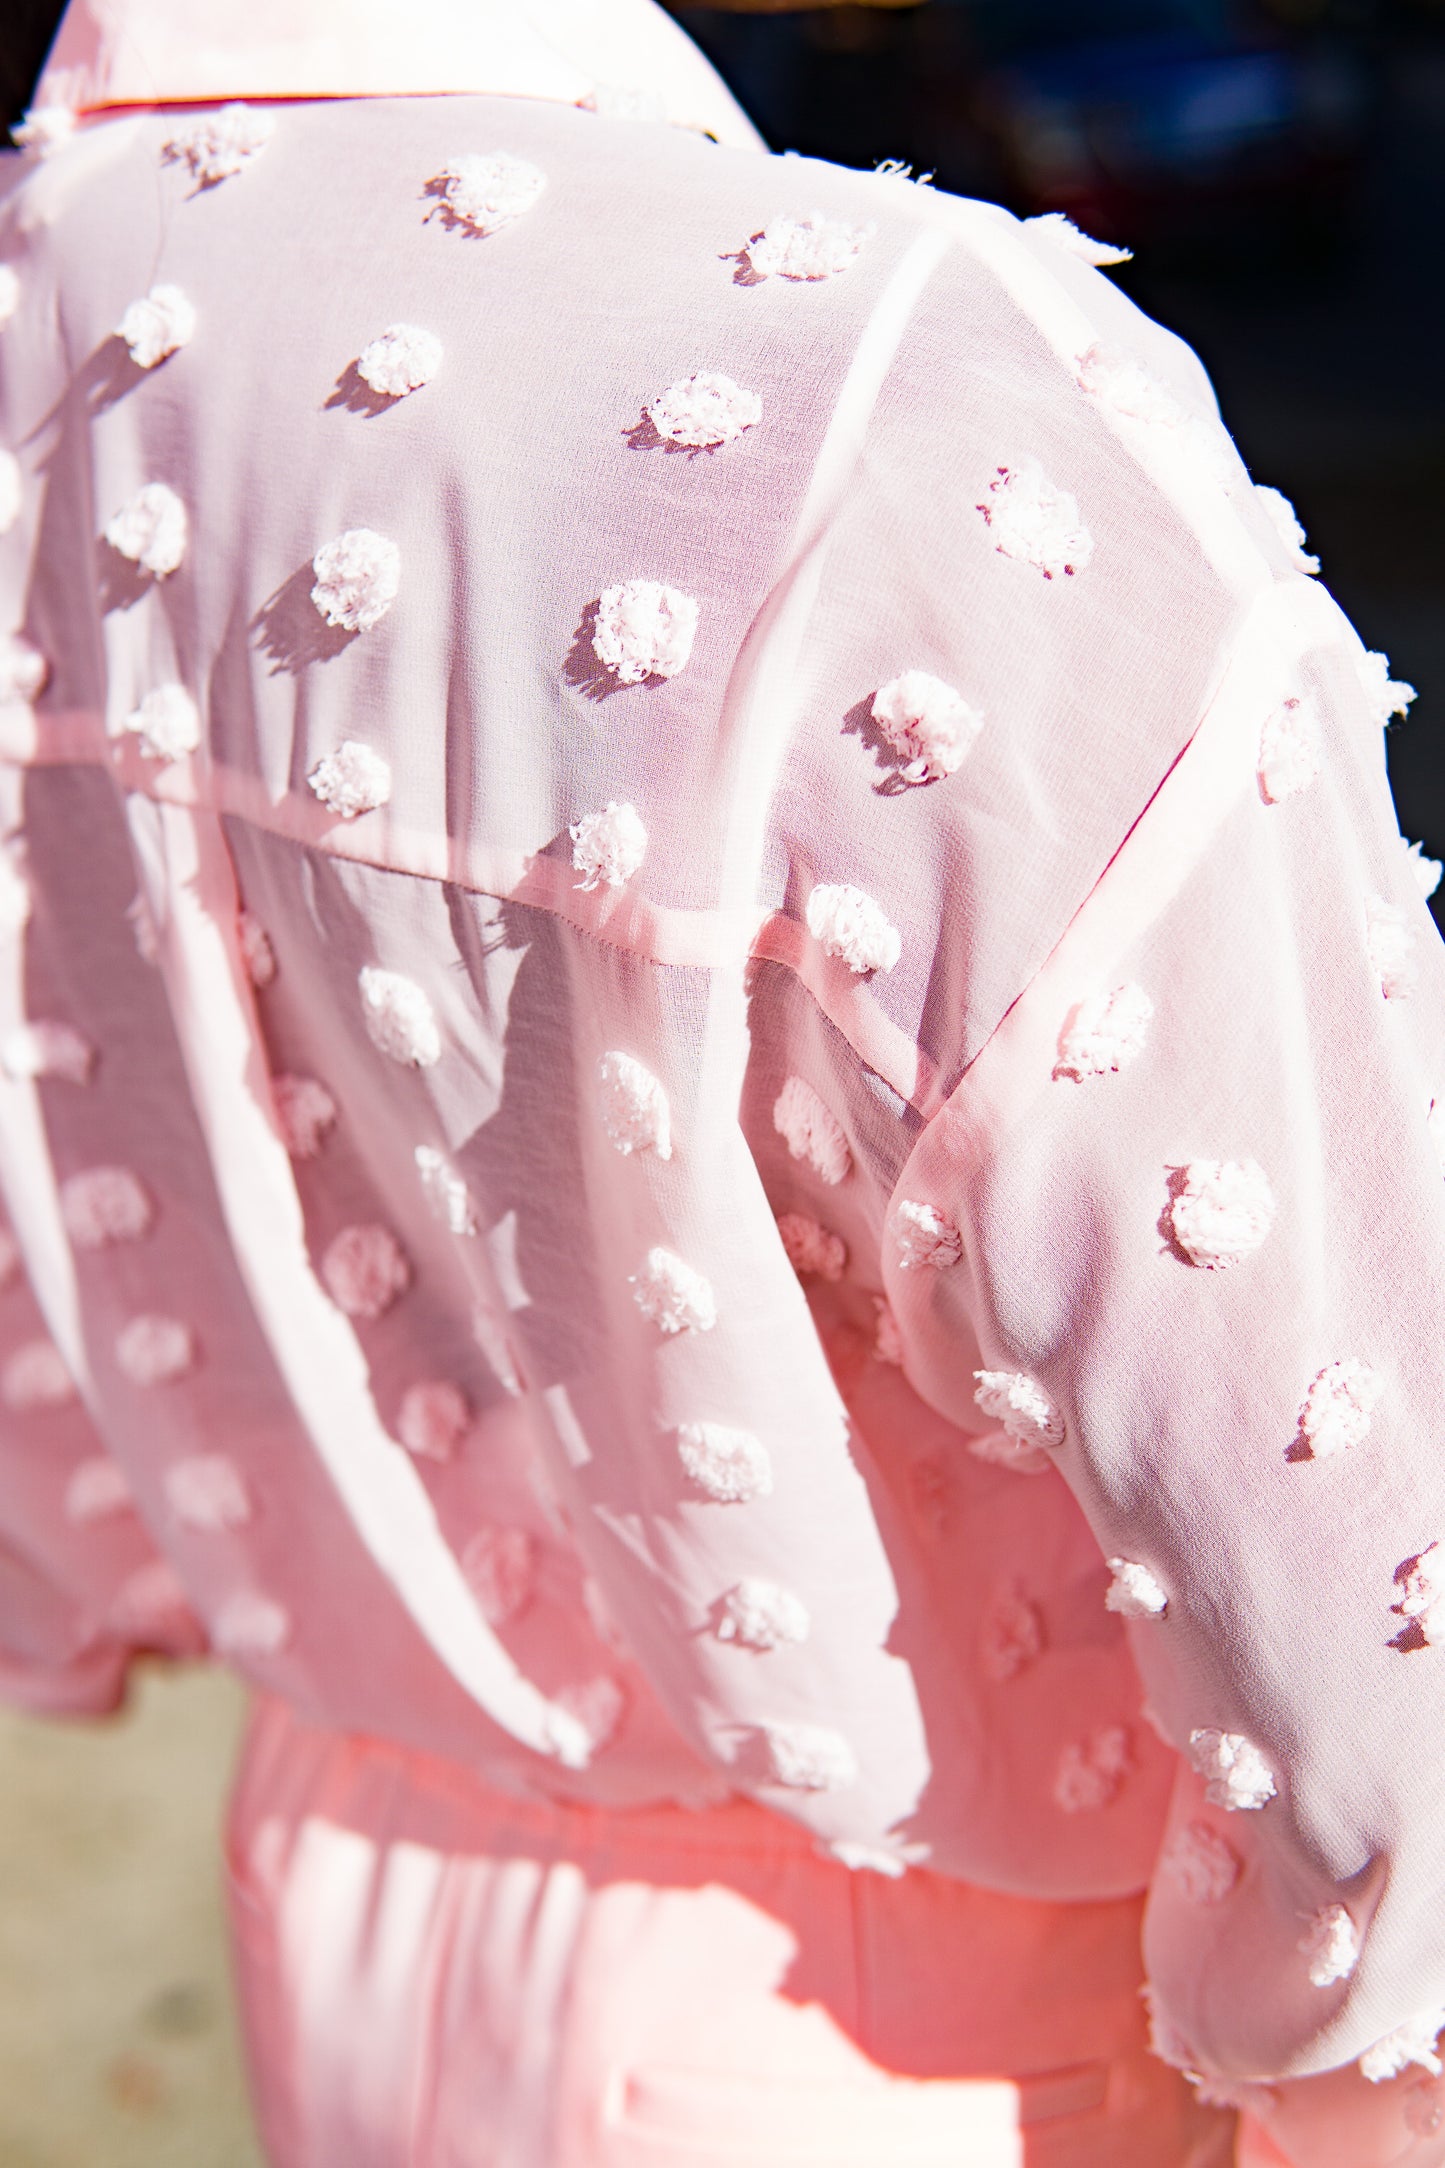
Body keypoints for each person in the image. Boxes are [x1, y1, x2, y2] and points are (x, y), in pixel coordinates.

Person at [1, 2, 1441, 2161]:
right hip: (947, 2036)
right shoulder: (894, 420)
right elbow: (1367, 1562)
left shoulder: (45, 303)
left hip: (352, 1899)